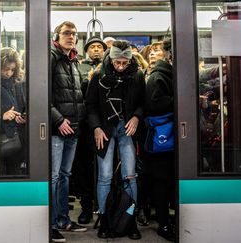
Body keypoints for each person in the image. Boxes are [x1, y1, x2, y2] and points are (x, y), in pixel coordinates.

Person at [85, 40, 144, 240]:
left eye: (124, 63)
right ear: (110, 59)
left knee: (130, 175)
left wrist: (136, 116)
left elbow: (143, 103)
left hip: (126, 127)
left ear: (130, 60)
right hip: (105, 128)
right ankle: (104, 219)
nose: (120, 67)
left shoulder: (137, 75)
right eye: (117, 62)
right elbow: (91, 105)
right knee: (105, 176)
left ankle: (130, 219)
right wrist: (96, 128)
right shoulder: (99, 76)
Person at [50, 21, 87, 242]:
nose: (71, 37)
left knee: (65, 176)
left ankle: (63, 219)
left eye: (74, 34)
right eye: (66, 33)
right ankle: (52, 223)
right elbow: (42, 94)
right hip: (58, 128)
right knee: (54, 176)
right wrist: (58, 120)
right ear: (57, 36)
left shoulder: (72, 61)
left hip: (73, 129)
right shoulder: (52, 57)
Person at [72, 35, 107, 224]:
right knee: (83, 167)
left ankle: (106, 206)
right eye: (92, 47)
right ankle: (86, 206)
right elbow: (77, 93)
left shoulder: (109, 66)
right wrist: (90, 80)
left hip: (106, 124)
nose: (96, 50)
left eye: (99, 47)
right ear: (86, 50)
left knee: (105, 167)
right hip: (85, 125)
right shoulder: (79, 67)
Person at [143, 40, 176, 242]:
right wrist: (182, 99)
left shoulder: (168, 74)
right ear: (171, 56)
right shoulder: (158, 77)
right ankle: (163, 223)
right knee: (161, 182)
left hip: (168, 136)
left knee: (166, 180)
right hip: (162, 136)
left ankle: (166, 219)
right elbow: (154, 104)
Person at [0, 47, 26, 175]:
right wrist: (2, 116)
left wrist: (23, 116)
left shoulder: (16, 83)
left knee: (15, 172)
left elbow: (22, 105)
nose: (8, 73)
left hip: (15, 136)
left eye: (12, 70)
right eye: (5, 69)